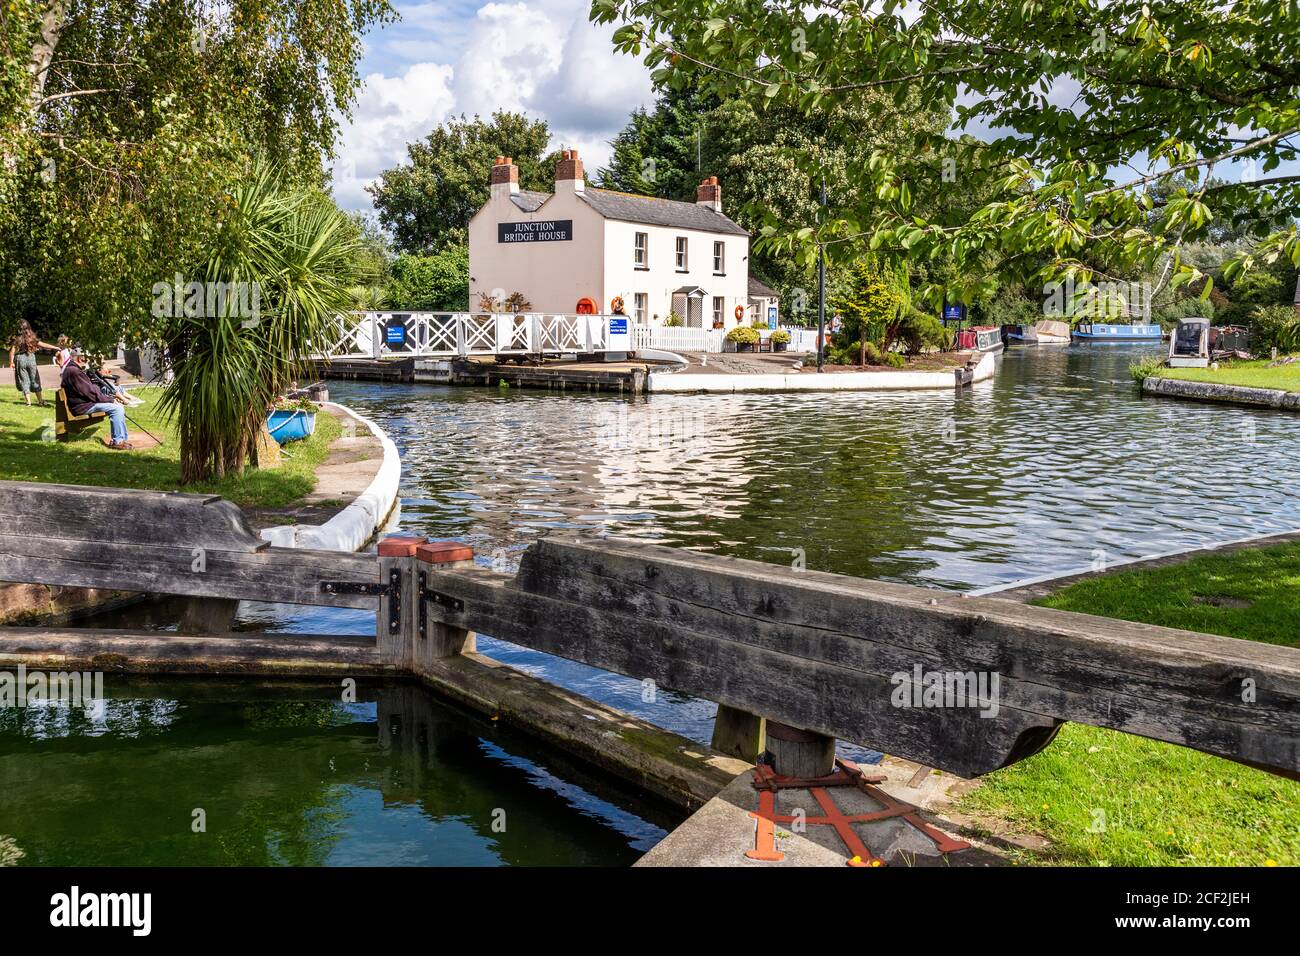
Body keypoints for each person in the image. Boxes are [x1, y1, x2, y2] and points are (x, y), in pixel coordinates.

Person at [61, 349, 132, 450]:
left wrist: (108, 398)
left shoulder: (73, 369)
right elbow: (90, 392)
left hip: (84, 403)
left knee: (118, 406)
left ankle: (121, 440)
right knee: (116, 409)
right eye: (86, 357)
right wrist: (110, 400)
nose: (87, 360)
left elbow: (90, 390)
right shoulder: (74, 371)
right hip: (82, 407)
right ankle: (118, 442)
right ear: (80, 358)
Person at [7, 319, 58, 406]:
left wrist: (11, 362)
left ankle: (28, 403)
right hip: (30, 358)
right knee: (35, 379)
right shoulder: (31, 337)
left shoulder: (17, 339)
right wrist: (56, 347)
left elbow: (12, 351)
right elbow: (43, 345)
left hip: (20, 359)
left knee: (24, 380)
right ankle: (40, 401)